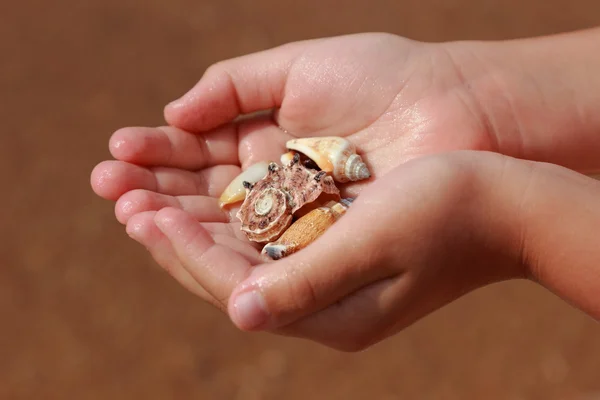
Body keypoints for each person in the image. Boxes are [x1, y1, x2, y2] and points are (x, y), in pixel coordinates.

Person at [91, 28, 600, 351]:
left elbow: (511, 212)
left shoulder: (318, 180)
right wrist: (474, 97)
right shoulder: (292, 177)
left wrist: (514, 216)